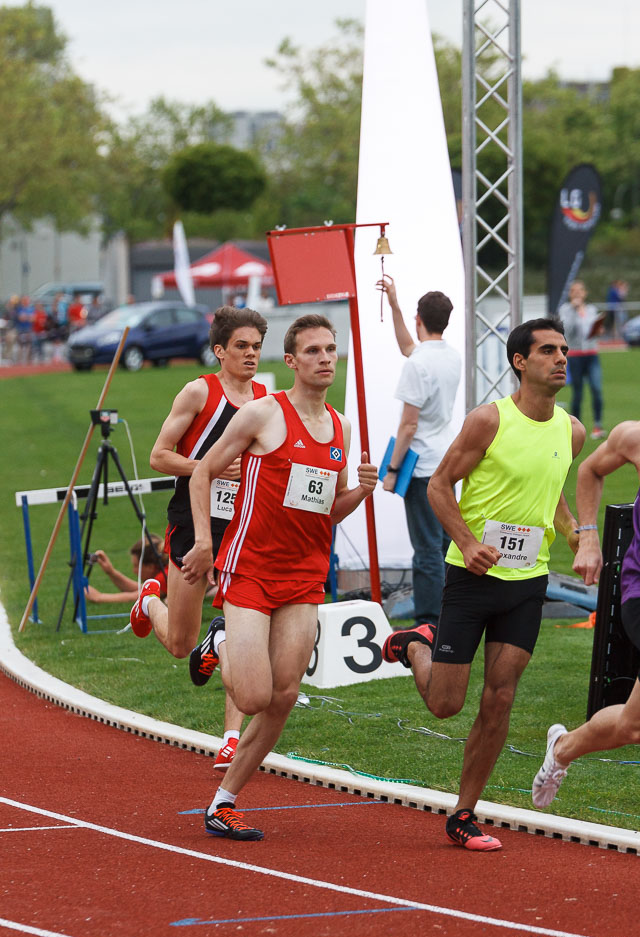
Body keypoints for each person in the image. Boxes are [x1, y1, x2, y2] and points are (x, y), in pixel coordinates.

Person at [382, 317, 585, 851]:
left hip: (526, 582)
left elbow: (553, 494)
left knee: (500, 697)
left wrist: (579, 537)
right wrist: (469, 544)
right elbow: (440, 487)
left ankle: (464, 814)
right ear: (520, 362)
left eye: (564, 349)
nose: (561, 358)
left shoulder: (572, 429)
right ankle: (416, 645)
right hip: (472, 578)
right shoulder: (488, 421)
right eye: (548, 351)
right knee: (447, 704)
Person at [180, 314, 378, 841]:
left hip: (304, 577)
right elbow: (201, 470)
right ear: (290, 361)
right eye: (312, 350)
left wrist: (361, 490)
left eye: (331, 350)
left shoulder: (340, 427)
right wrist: (204, 541)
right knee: (251, 697)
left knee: (283, 696)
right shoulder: (263, 414)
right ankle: (221, 638)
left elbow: (328, 511)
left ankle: (223, 803)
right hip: (250, 570)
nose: (325, 358)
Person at [129, 305, 268, 771]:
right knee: (180, 643)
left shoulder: (266, 398)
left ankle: (231, 738)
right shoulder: (198, 393)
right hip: (193, 519)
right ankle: (150, 602)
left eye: (256, 347)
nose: (250, 355)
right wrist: (205, 468)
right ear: (219, 351)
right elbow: (158, 456)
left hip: (242, 525)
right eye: (242, 347)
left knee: (240, 629)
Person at [531, 420, 640, 808]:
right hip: (639, 592)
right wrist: (589, 536)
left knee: (632, 725)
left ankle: (563, 747)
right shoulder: (634, 437)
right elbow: (590, 469)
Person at [377, 276, 461, 629]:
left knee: (426, 549)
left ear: (419, 318)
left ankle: (428, 620)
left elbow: (408, 425)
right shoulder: (449, 356)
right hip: (445, 460)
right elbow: (407, 346)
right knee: (442, 545)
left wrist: (393, 469)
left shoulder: (418, 364)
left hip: (421, 465)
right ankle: (449, 612)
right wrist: (395, 305)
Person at [558, 280, 606, 440]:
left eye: (580, 291)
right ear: (570, 294)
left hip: (592, 354)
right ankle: (575, 427)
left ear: (585, 293)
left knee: (597, 389)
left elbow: (592, 331)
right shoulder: (565, 310)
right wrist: (574, 309)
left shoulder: (592, 309)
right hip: (575, 355)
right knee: (578, 393)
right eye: (574, 291)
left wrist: (599, 330)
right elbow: (567, 331)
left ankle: (598, 426)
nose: (577, 293)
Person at [85, 535, 168, 604]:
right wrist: (111, 572)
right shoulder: (164, 573)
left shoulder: (165, 577)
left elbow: (134, 596)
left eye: (136, 566)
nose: (134, 571)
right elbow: (139, 589)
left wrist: (97, 597)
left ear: (150, 567)